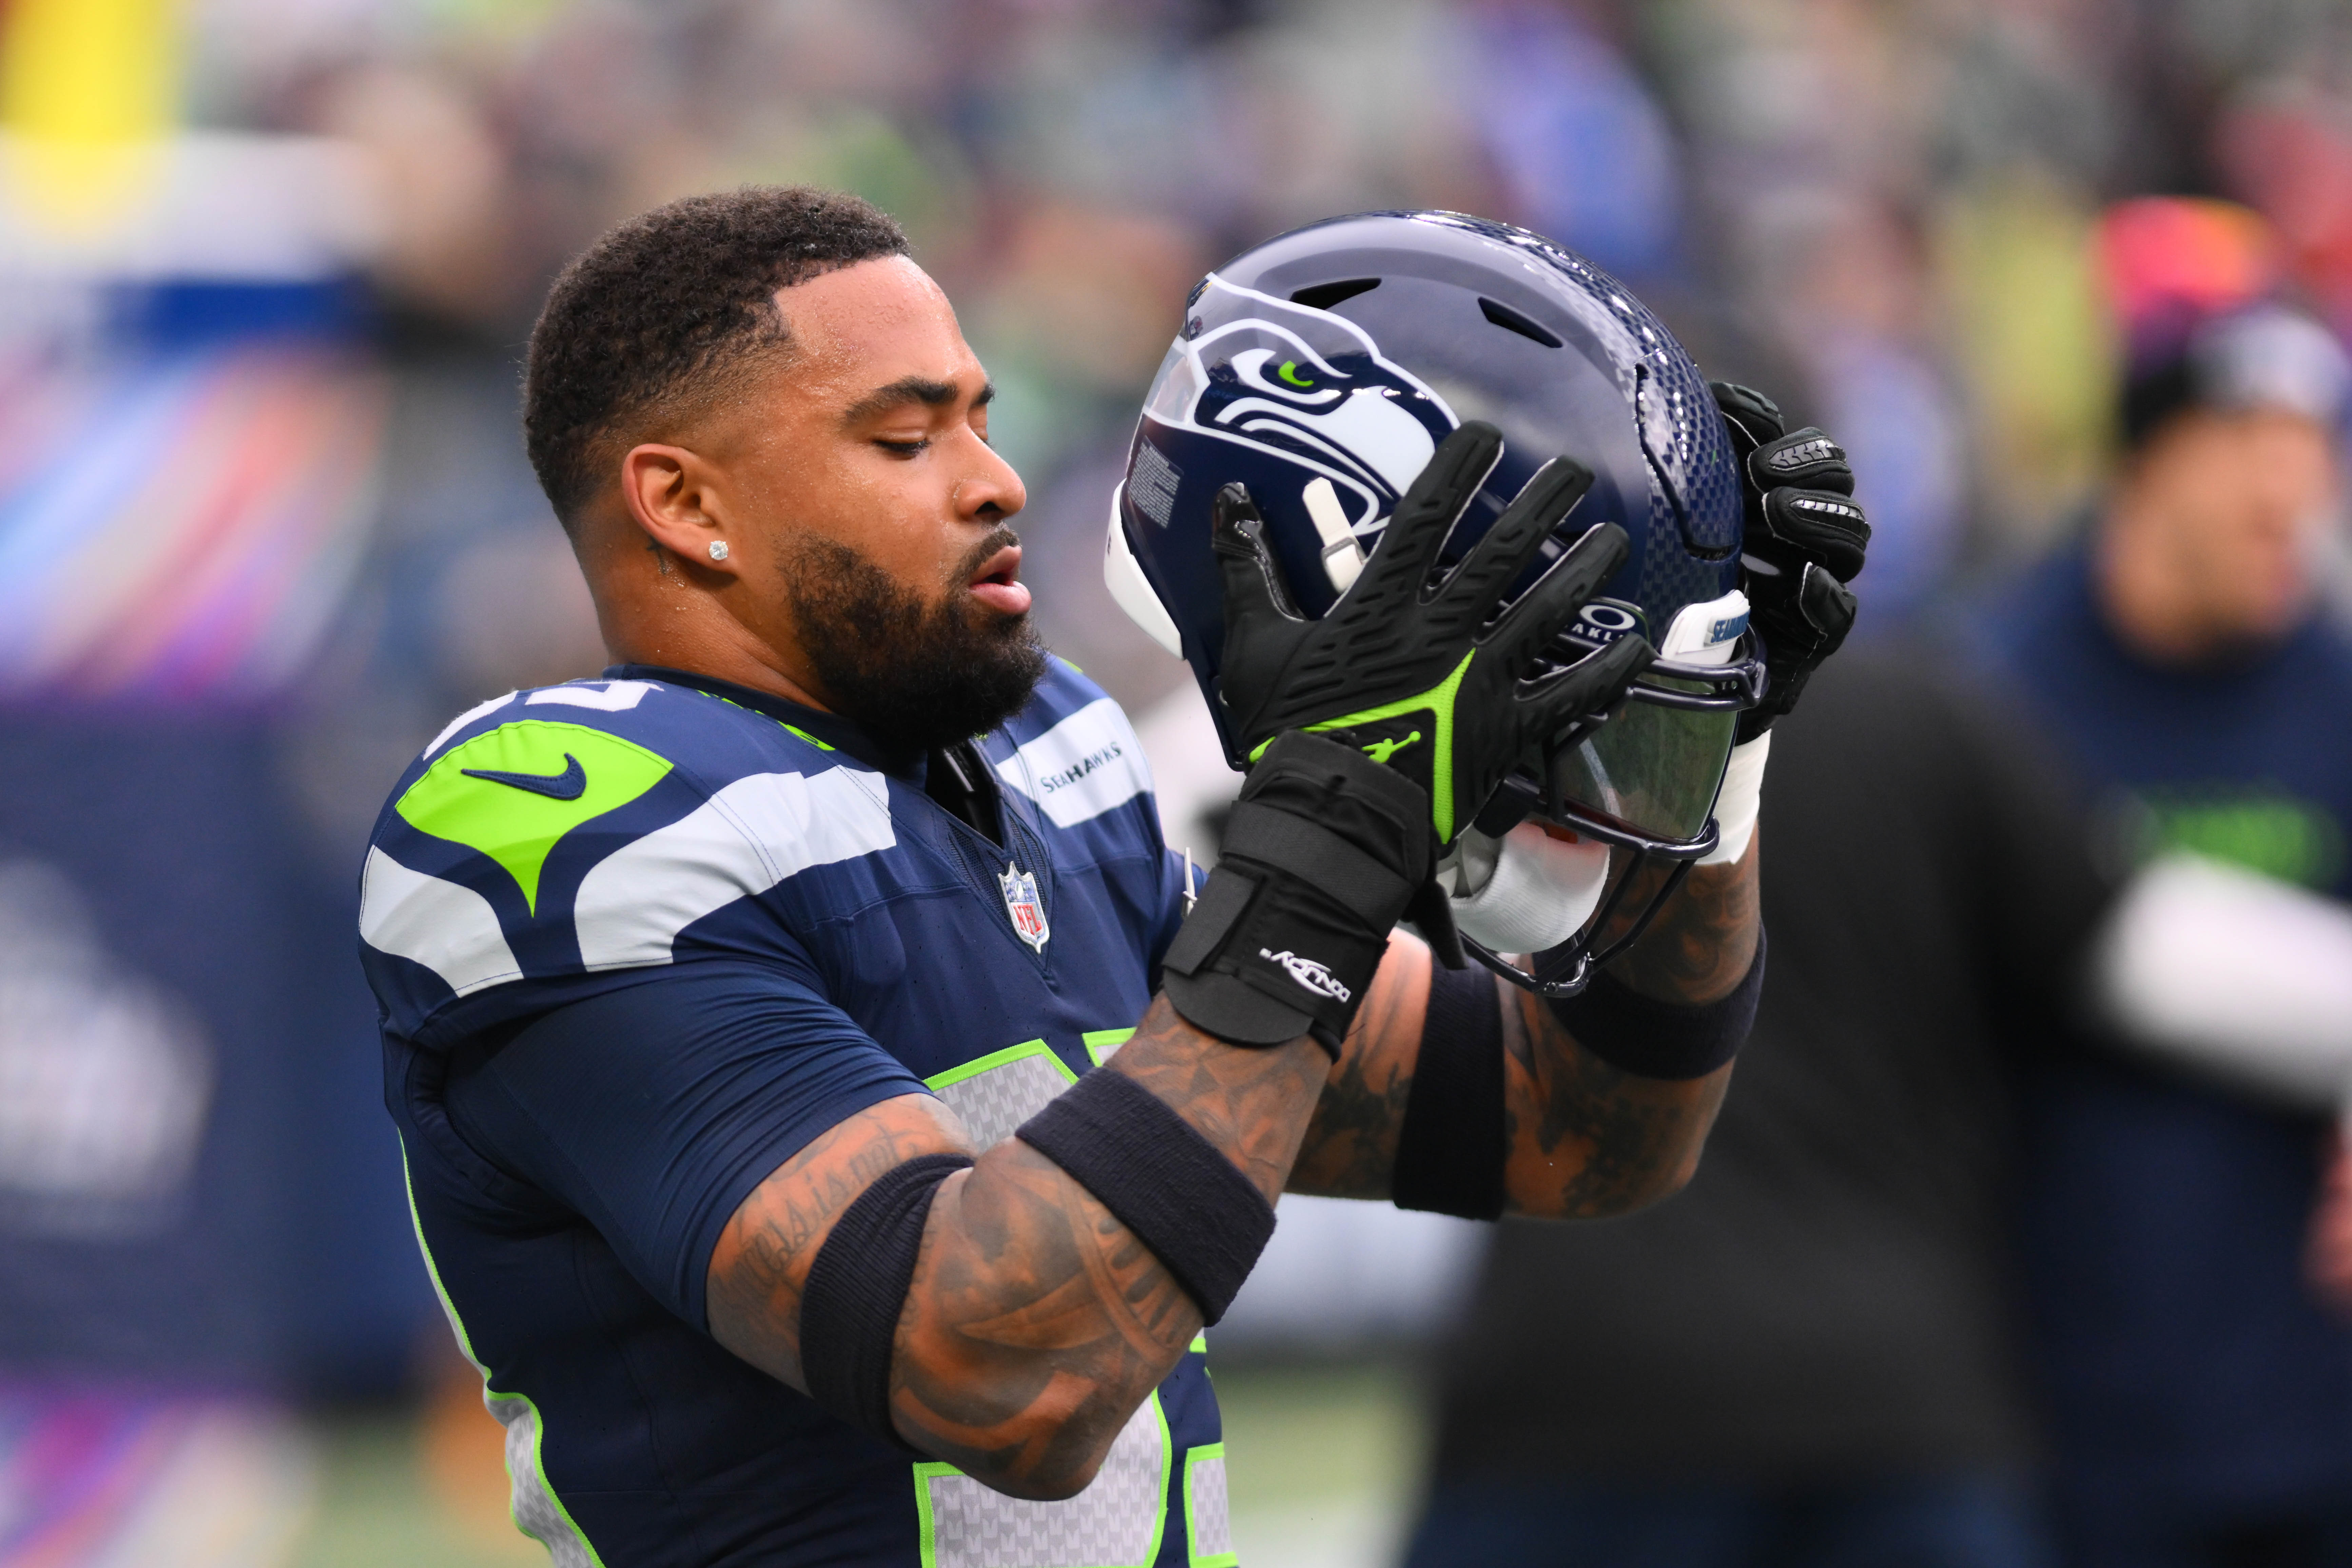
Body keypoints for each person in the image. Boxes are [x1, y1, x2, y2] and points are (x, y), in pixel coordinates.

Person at [356, 192, 1867, 1566]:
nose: (997, 481)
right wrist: (1329, 848)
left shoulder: (1040, 748)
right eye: (906, 439)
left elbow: (1576, 1129)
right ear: (686, 506)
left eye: (981, 419)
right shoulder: (562, 820)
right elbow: (1004, 1372)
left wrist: (1707, 744)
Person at [1979, 224, 2352, 1565]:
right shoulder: (1997, 690)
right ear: (2148, 454)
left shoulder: (2336, 685)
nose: (2294, 508)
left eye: (2312, 465)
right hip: (2062, 1419)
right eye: (2252, 461)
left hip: (2315, 1412)